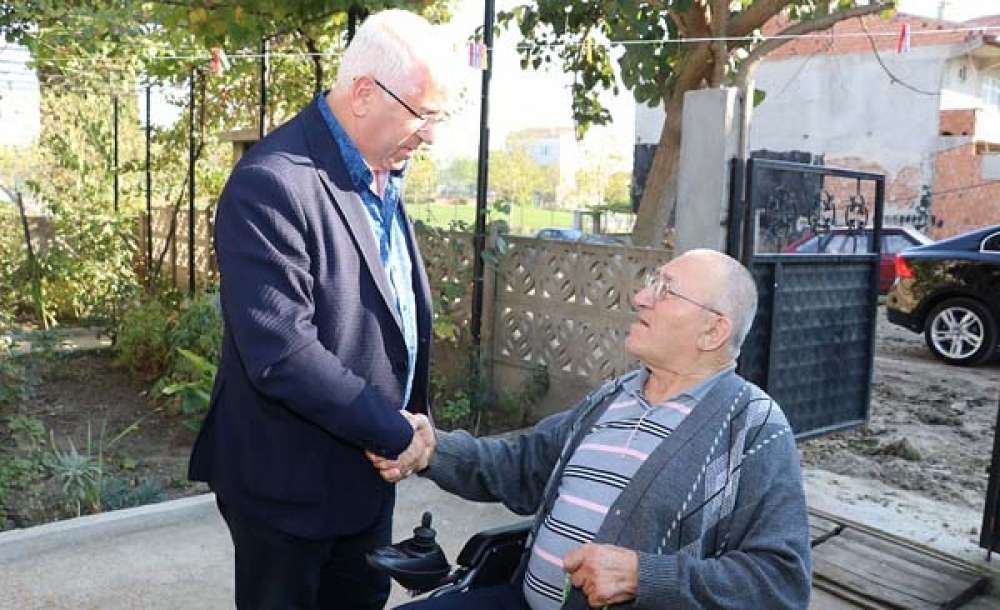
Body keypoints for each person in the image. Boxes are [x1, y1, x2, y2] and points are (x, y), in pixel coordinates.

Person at [187, 10, 454, 610]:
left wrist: (410, 426)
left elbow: (390, 311)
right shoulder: (272, 182)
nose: (432, 135)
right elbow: (283, 353)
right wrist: (398, 434)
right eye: (424, 114)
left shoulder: (382, 173)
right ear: (364, 93)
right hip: (288, 490)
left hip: (366, 475)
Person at [371, 249, 812, 610]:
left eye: (665, 290)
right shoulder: (612, 397)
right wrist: (432, 449)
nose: (641, 297)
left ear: (713, 330)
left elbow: (781, 583)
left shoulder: (755, 427)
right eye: (650, 284)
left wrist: (645, 577)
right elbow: (522, 466)